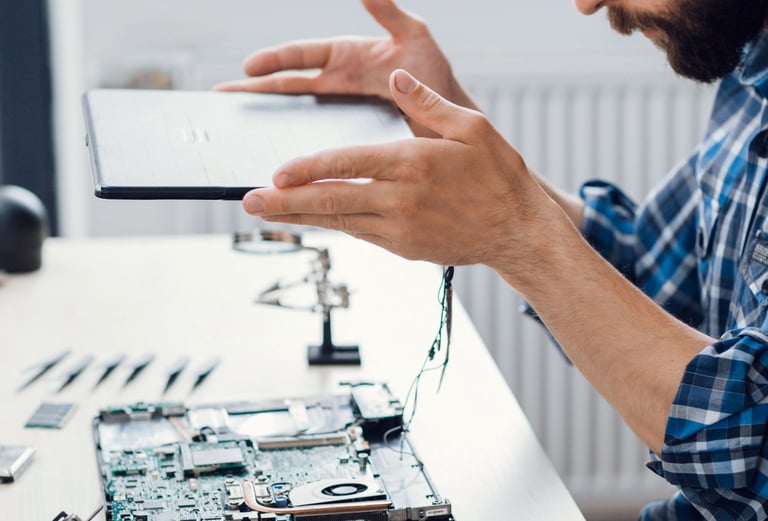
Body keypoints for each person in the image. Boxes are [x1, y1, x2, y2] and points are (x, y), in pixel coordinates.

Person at [215, 0, 768, 518]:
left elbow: (757, 450)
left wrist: (520, 236)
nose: (586, 4)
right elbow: (654, 277)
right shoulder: (752, 72)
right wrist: (450, 125)